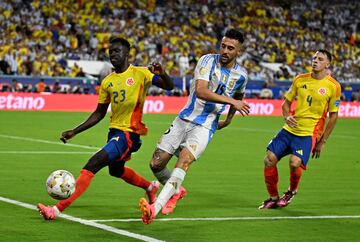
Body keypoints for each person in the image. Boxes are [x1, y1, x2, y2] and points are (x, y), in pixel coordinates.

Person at [37, 36, 174, 220]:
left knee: (94, 163)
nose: (112, 55)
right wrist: (74, 131)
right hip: (115, 133)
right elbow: (99, 113)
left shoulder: (141, 73)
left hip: (129, 133)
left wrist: (163, 73)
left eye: (117, 51)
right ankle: (151, 187)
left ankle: (56, 210)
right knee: (115, 170)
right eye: (110, 52)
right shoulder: (107, 81)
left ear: (127, 53)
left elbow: (169, 87)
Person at [139, 28, 251, 224]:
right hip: (184, 119)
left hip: (205, 126)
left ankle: (153, 209)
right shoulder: (207, 60)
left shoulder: (241, 75)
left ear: (238, 52)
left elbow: (239, 95)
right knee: (156, 164)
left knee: (184, 160)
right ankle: (176, 190)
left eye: (230, 48)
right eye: (223, 46)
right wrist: (232, 103)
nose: (225, 51)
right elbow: (201, 91)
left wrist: (230, 118)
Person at [258, 49, 341, 209]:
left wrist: (322, 141)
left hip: (309, 133)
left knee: (295, 163)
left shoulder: (333, 86)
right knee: (269, 159)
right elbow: (285, 104)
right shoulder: (299, 79)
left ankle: (291, 191)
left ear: (327, 64)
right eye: (314, 57)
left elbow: (334, 115)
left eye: (320, 58)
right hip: (289, 129)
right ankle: (273, 197)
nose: (315, 60)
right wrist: (287, 116)